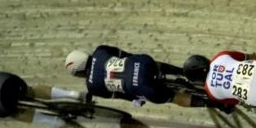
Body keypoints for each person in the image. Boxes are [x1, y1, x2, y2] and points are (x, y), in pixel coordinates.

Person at [65, 46, 210, 108]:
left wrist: (136, 100)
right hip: (141, 63)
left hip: (139, 86)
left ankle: (213, 104)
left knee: (173, 97)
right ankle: (184, 71)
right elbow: (127, 55)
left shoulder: (92, 87)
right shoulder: (101, 50)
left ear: (79, 73)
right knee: (150, 63)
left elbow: (120, 95)